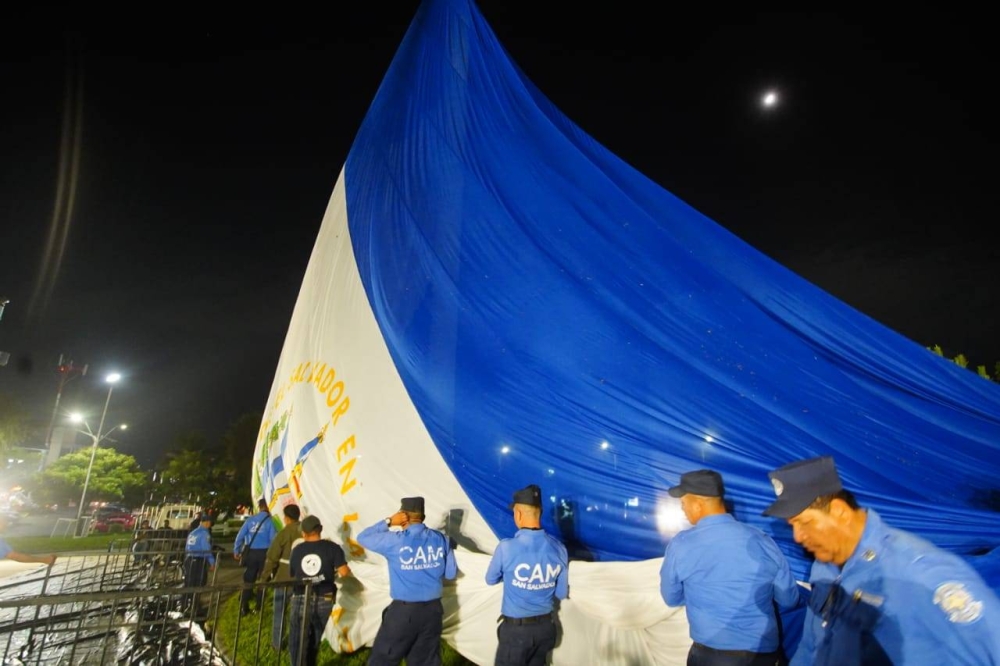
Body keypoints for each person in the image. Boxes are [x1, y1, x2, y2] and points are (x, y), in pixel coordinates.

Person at [764, 455, 1000, 665]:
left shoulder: (917, 571)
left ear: (839, 512)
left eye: (804, 523)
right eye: (792, 526)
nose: (797, 536)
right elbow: (812, 643)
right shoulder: (825, 566)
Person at [660, 470, 800, 666]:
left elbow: (671, 598)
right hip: (763, 656)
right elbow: (789, 599)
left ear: (698, 503)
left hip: (710, 657)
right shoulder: (762, 540)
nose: (683, 509)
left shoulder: (681, 545)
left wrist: (699, 595)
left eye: (683, 503)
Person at [357, 496, 458, 666]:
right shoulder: (441, 539)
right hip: (433, 611)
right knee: (425, 661)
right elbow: (450, 573)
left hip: (404, 612)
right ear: (422, 516)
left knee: (383, 659)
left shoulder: (395, 540)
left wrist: (388, 521)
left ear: (402, 516)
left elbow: (363, 537)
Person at [485, 484, 569, 666]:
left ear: (518, 514)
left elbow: (490, 579)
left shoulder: (506, 548)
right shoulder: (559, 549)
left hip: (516, 632)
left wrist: (510, 577)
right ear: (540, 512)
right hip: (546, 629)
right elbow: (561, 593)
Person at [288, 514, 351, 666]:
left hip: (300, 596)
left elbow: (293, 573)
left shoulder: (297, 550)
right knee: (314, 638)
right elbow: (344, 572)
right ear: (320, 529)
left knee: (297, 640)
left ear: (303, 532)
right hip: (325, 598)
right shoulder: (333, 548)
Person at [261, 503, 303, 651]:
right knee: (298, 614)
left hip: (284, 579)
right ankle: (297, 642)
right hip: (302, 580)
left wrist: (264, 579)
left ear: (286, 518)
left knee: (279, 612)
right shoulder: (306, 532)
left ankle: (277, 644)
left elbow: (272, 558)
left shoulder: (284, 533)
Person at [234, 498, 278, 616]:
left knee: (248, 580)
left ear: (259, 507)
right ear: (268, 507)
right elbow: (273, 540)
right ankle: (258, 607)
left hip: (251, 553)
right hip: (264, 553)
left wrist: (236, 550)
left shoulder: (250, 520)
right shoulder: (270, 521)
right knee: (262, 580)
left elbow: (240, 536)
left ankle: (244, 607)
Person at [183, 513, 216, 615]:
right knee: (198, 583)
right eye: (210, 523)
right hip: (198, 561)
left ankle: (187, 605)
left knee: (189, 583)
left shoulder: (193, 532)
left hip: (189, 559)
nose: (210, 525)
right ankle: (195, 608)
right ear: (206, 522)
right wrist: (212, 562)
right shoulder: (204, 534)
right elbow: (206, 549)